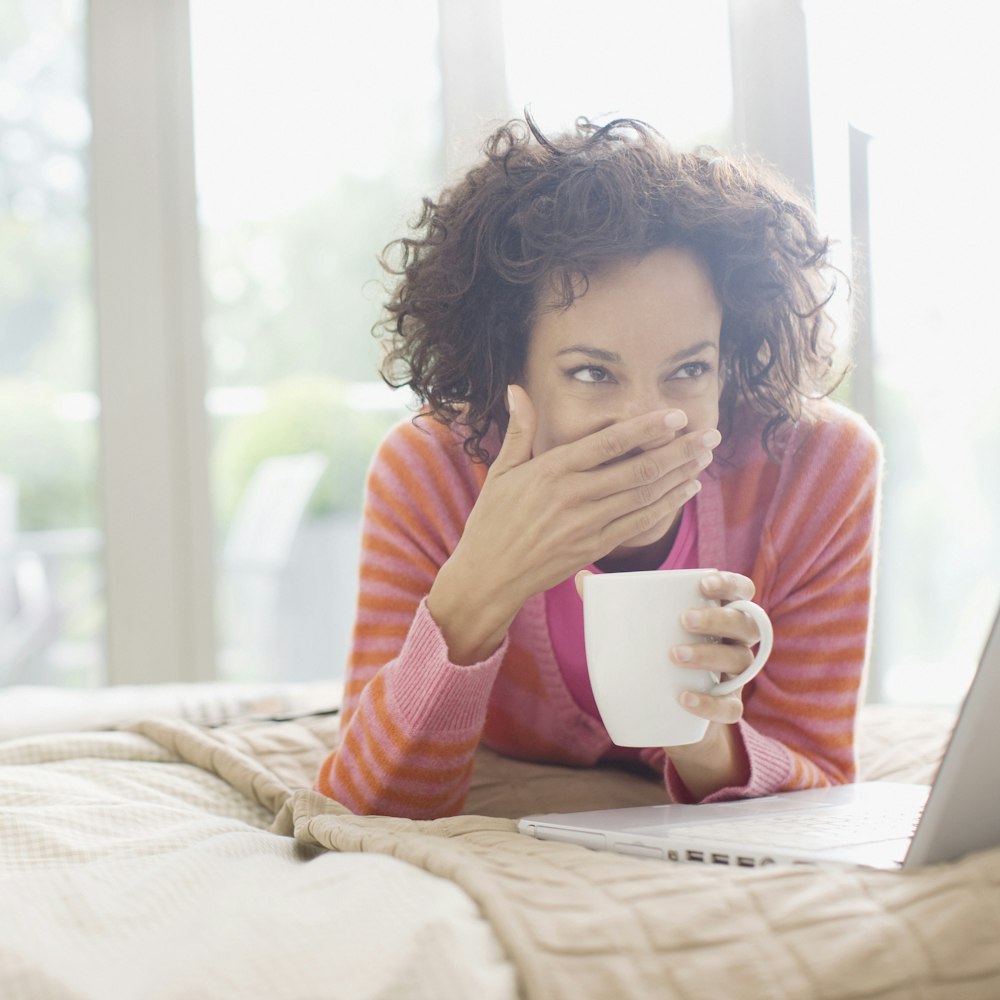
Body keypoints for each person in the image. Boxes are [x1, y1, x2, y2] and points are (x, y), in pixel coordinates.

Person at [314, 115, 882, 819]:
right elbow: (366, 802)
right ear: (507, 365)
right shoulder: (431, 471)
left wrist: (704, 735)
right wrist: (481, 584)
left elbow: (823, 778)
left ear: (729, 359)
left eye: (689, 370)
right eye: (592, 372)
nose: (651, 422)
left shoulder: (817, 471)